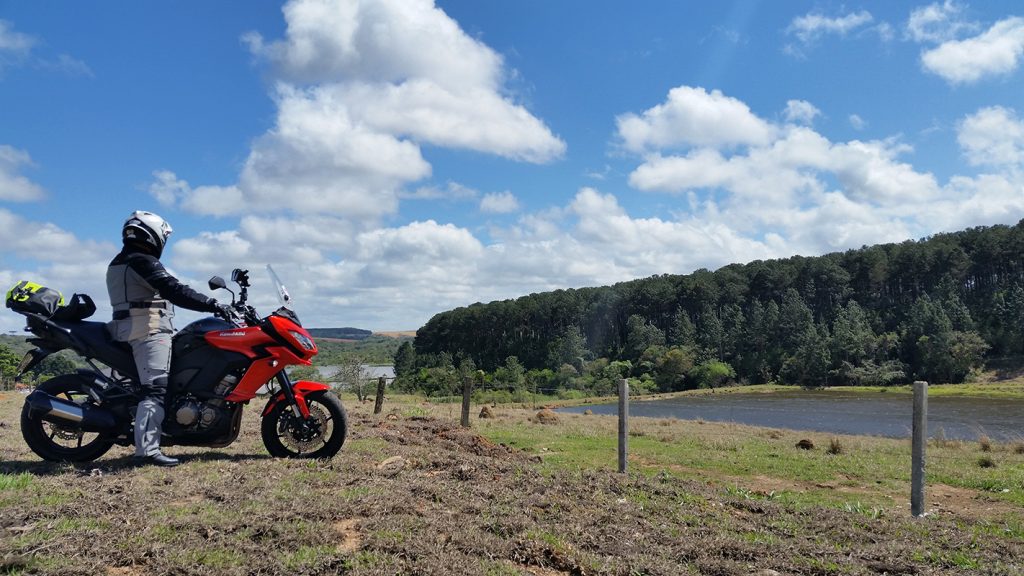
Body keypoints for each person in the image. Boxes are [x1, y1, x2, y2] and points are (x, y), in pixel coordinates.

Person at [106, 211, 229, 467]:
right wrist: (211, 304)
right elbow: (175, 290)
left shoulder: (122, 260)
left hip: (129, 327)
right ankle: (147, 451)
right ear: (153, 235)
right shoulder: (141, 260)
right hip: (146, 331)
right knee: (155, 389)